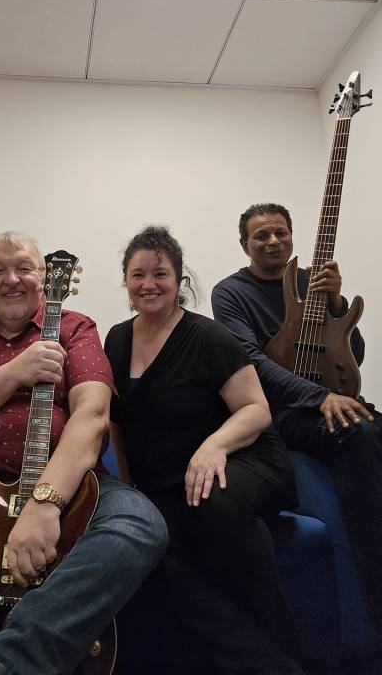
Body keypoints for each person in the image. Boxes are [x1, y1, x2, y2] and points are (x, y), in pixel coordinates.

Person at [0, 231, 168, 675]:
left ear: (44, 277)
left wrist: (44, 503)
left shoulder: (76, 328)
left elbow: (93, 416)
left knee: (141, 524)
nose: (11, 279)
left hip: (69, 479)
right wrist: (14, 372)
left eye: (23, 268)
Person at [105, 225, 303, 675]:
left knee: (213, 504)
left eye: (160, 274)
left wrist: (214, 446)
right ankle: (266, 664)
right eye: (138, 275)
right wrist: (129, 486)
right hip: (169, 482)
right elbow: (117, 420)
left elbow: (256, 410)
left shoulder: (209, 336)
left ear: (179, 280)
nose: (149, 284)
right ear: (126, 282)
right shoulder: (117, 338)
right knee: (154, 549)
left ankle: (284, 649)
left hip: (242, 458)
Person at [211, 202, 382, 635]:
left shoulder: (313, 282)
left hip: (332, 399)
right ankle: (373, 597)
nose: (273, 241)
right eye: (262, 235)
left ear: (291, 236)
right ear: (244, 244)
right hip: (281, 412)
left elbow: (354, 354)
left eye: (281, 233)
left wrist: (337, 301)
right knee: (359, 434)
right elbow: (250, 361)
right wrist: (318, 396)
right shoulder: (230, 293)